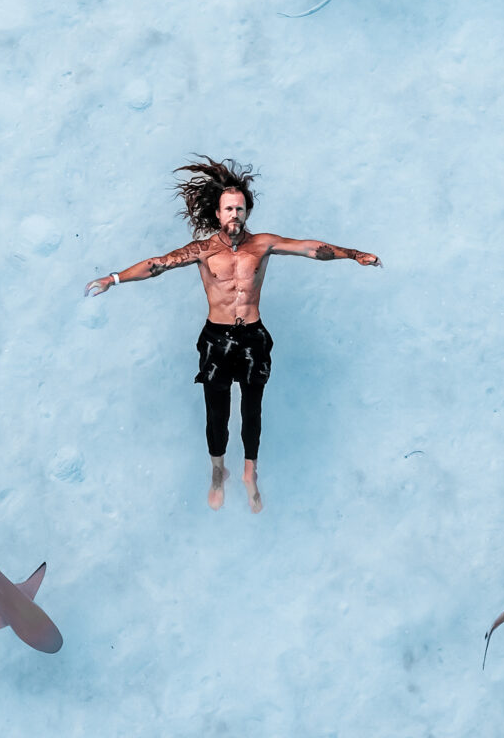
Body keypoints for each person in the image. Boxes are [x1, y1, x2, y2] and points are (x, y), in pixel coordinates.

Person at [85, 157, 380, 512]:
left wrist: (354, 254)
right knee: (217, 412)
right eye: (229, 209)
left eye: (240, 208)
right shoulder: (203, 250)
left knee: (252, 409)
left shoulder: (263, 244)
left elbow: (310, 248)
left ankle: (249, 473)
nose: (235, 214)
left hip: (253, 337)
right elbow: (157, 264)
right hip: (216, 339)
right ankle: (217, 470)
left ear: (247, 212)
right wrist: (112, 279)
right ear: (218, 214)